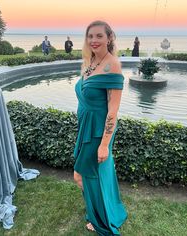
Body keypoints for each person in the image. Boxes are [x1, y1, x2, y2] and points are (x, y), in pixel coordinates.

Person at [73, 20, 127, 235]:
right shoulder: (89, 62)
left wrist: (104, 144)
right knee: (91, 174)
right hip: (86, 127)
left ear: (109, 37)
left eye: (99, 36)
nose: (94, 40)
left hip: (98, 131)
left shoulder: (112, 64)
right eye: (90, 36)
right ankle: (102, 211)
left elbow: (112, 111)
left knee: (83, 174)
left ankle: (101, 219)